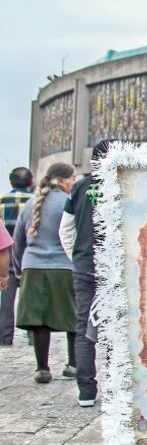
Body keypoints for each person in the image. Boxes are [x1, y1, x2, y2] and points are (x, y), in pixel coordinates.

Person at [59, 140, 115, 407]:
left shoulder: (79, 187)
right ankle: (118, 389)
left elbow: (65, 230)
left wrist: (78, 256)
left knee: (83, 328)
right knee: (119, 327)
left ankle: (86, 391)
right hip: (116, 267)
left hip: (85, 266)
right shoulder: (124, 185)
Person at [12, 162, 78, 383]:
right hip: (64, 267)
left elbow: (18, 242)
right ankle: (73, 364)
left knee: (39, 320)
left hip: (33, 267)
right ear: (61, 181)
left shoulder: (31, 204)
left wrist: (19, 269)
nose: (73, 183)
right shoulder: (69, 203)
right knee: (73, 317)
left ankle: (42, 368)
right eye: (72, 179)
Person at [0, 167, 33, 346]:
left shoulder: (2, 201)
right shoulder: (36, 202)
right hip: (30, 255)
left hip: (7, 255)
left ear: (11, 181)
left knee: (6, 299)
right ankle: (33, 336)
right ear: (30, 182)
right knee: (32, 298)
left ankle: (5, 337)